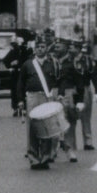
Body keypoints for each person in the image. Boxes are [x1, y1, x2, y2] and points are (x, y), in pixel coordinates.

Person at [17, 39, 71, 170]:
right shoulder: (28, 64)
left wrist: (60, 93)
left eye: (43, 47)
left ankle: (46, 157)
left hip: (47, 96)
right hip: (32, 97)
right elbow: (20, 83)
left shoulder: (52, 64)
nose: (40, 49)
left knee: (48, 127)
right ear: (34, 49)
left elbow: (61, 79)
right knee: (32, 128)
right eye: (38, 47)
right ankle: (34, 158)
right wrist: (19, 100)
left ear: (47, 49)